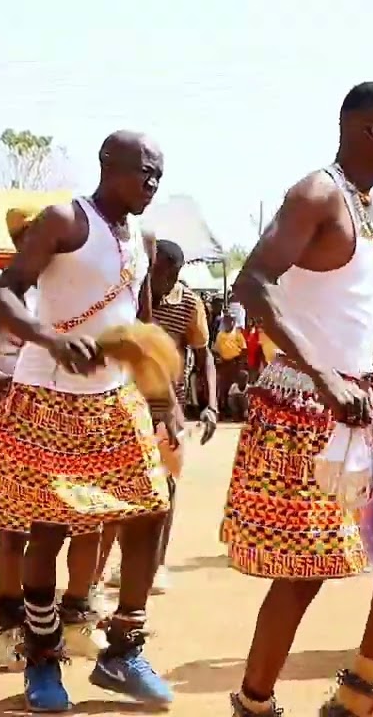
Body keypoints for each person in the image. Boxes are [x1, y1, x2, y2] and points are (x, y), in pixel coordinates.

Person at [220, 82, 373, 717]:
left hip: (361, 406)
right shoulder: (316, 194)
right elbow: (252, 286)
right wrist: (322, 377)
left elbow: (361, 309)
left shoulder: (369, 208)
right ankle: (253, 703)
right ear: (370, 131)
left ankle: (359, 690)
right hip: (305, 407)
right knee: (303, 572)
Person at [0, 130, 177, 711]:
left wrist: (166, 399)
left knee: (150, 511)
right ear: (108, 164)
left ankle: (123, 650)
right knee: (49, 529)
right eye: (143, 171)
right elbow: (3, 294)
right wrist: (48, 338)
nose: (152, 183)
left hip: (115, 397)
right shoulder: (63, 220)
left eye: (159, 174)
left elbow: (142, 321)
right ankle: (43, 660)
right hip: (47, 394)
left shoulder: (143, 237)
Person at [0, 207, 108, 671]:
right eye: (29, 239)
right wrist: (9, 387)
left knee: (89, 520)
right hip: (16, 420)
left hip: (80, 419)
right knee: (15, 530)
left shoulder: (84, 292)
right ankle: (9, 625)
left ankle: (77, 619)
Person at [99, 238, 218, 594]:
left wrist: (211, 404)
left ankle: (156, 563)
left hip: (169, 404)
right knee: (117, 484)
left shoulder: (189, 303)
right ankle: (104, 568)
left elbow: (204, 354)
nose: (166, 281)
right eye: (160, 273)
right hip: (122, 400)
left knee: (165, 485)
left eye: (173, 274)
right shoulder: (128, 295)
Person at [215, 312, 247, 404]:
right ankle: (223, 407)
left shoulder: (237, 334)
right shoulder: (220, 335)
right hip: (224, 364)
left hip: (235, 363)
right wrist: (218, 359)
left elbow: (244, 349)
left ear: (233, 321)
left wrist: (241, 364)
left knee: (234, 387)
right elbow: (216, 350)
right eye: (226, 320)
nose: (228, 322)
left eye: (230, 320)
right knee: (223, 387)